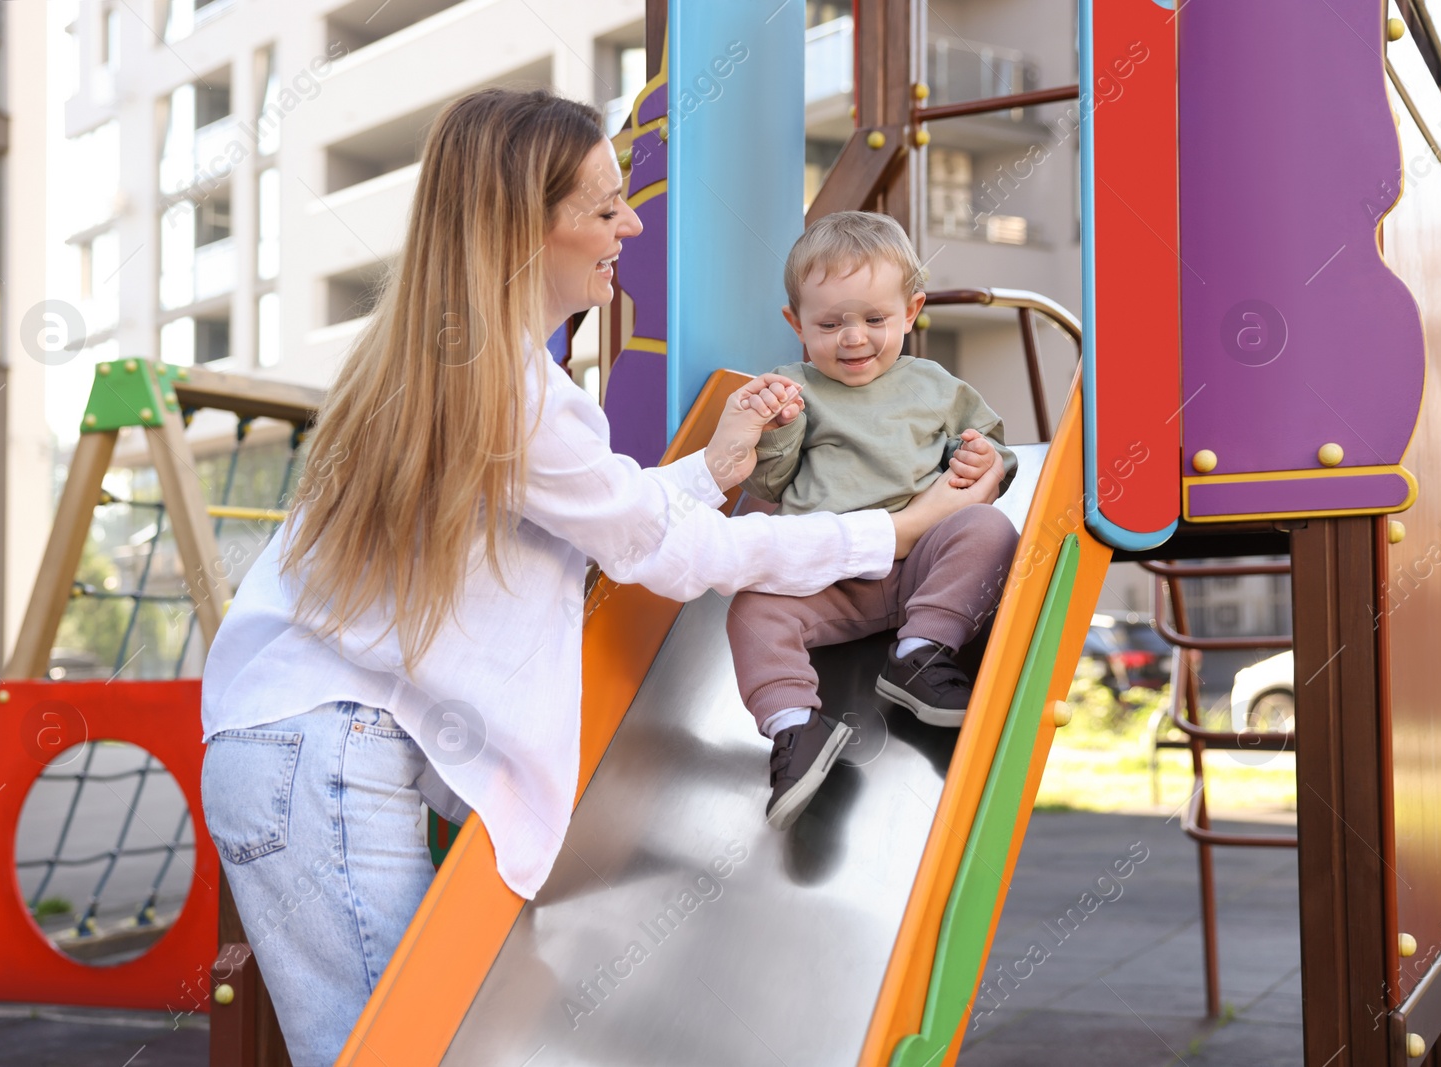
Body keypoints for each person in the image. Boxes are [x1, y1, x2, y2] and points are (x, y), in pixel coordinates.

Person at [197, 91, 1004, 1065]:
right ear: (523, 224)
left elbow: (606, 512)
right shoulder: (513, 391)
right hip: (325, 754)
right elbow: (676, 556)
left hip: (309, 743)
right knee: (388, 1050)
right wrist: (897, 528)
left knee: (389, 1040)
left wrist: (716, 465)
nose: (629, 224)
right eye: (602, 206)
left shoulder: (460, 362)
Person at [726, 210, 1022, 831]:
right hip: (828, 579)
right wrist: (776, 432)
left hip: (920, 566)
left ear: (912, 311)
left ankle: (919, 653)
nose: (853, 338)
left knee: (988, 531)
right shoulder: (792, 389)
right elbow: (769, 485)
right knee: (752, 609)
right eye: (830, 324)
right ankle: (794, 727)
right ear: (796, 324)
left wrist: (985, 457)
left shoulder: (935, 386)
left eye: (874, 320)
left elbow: (994, 449)